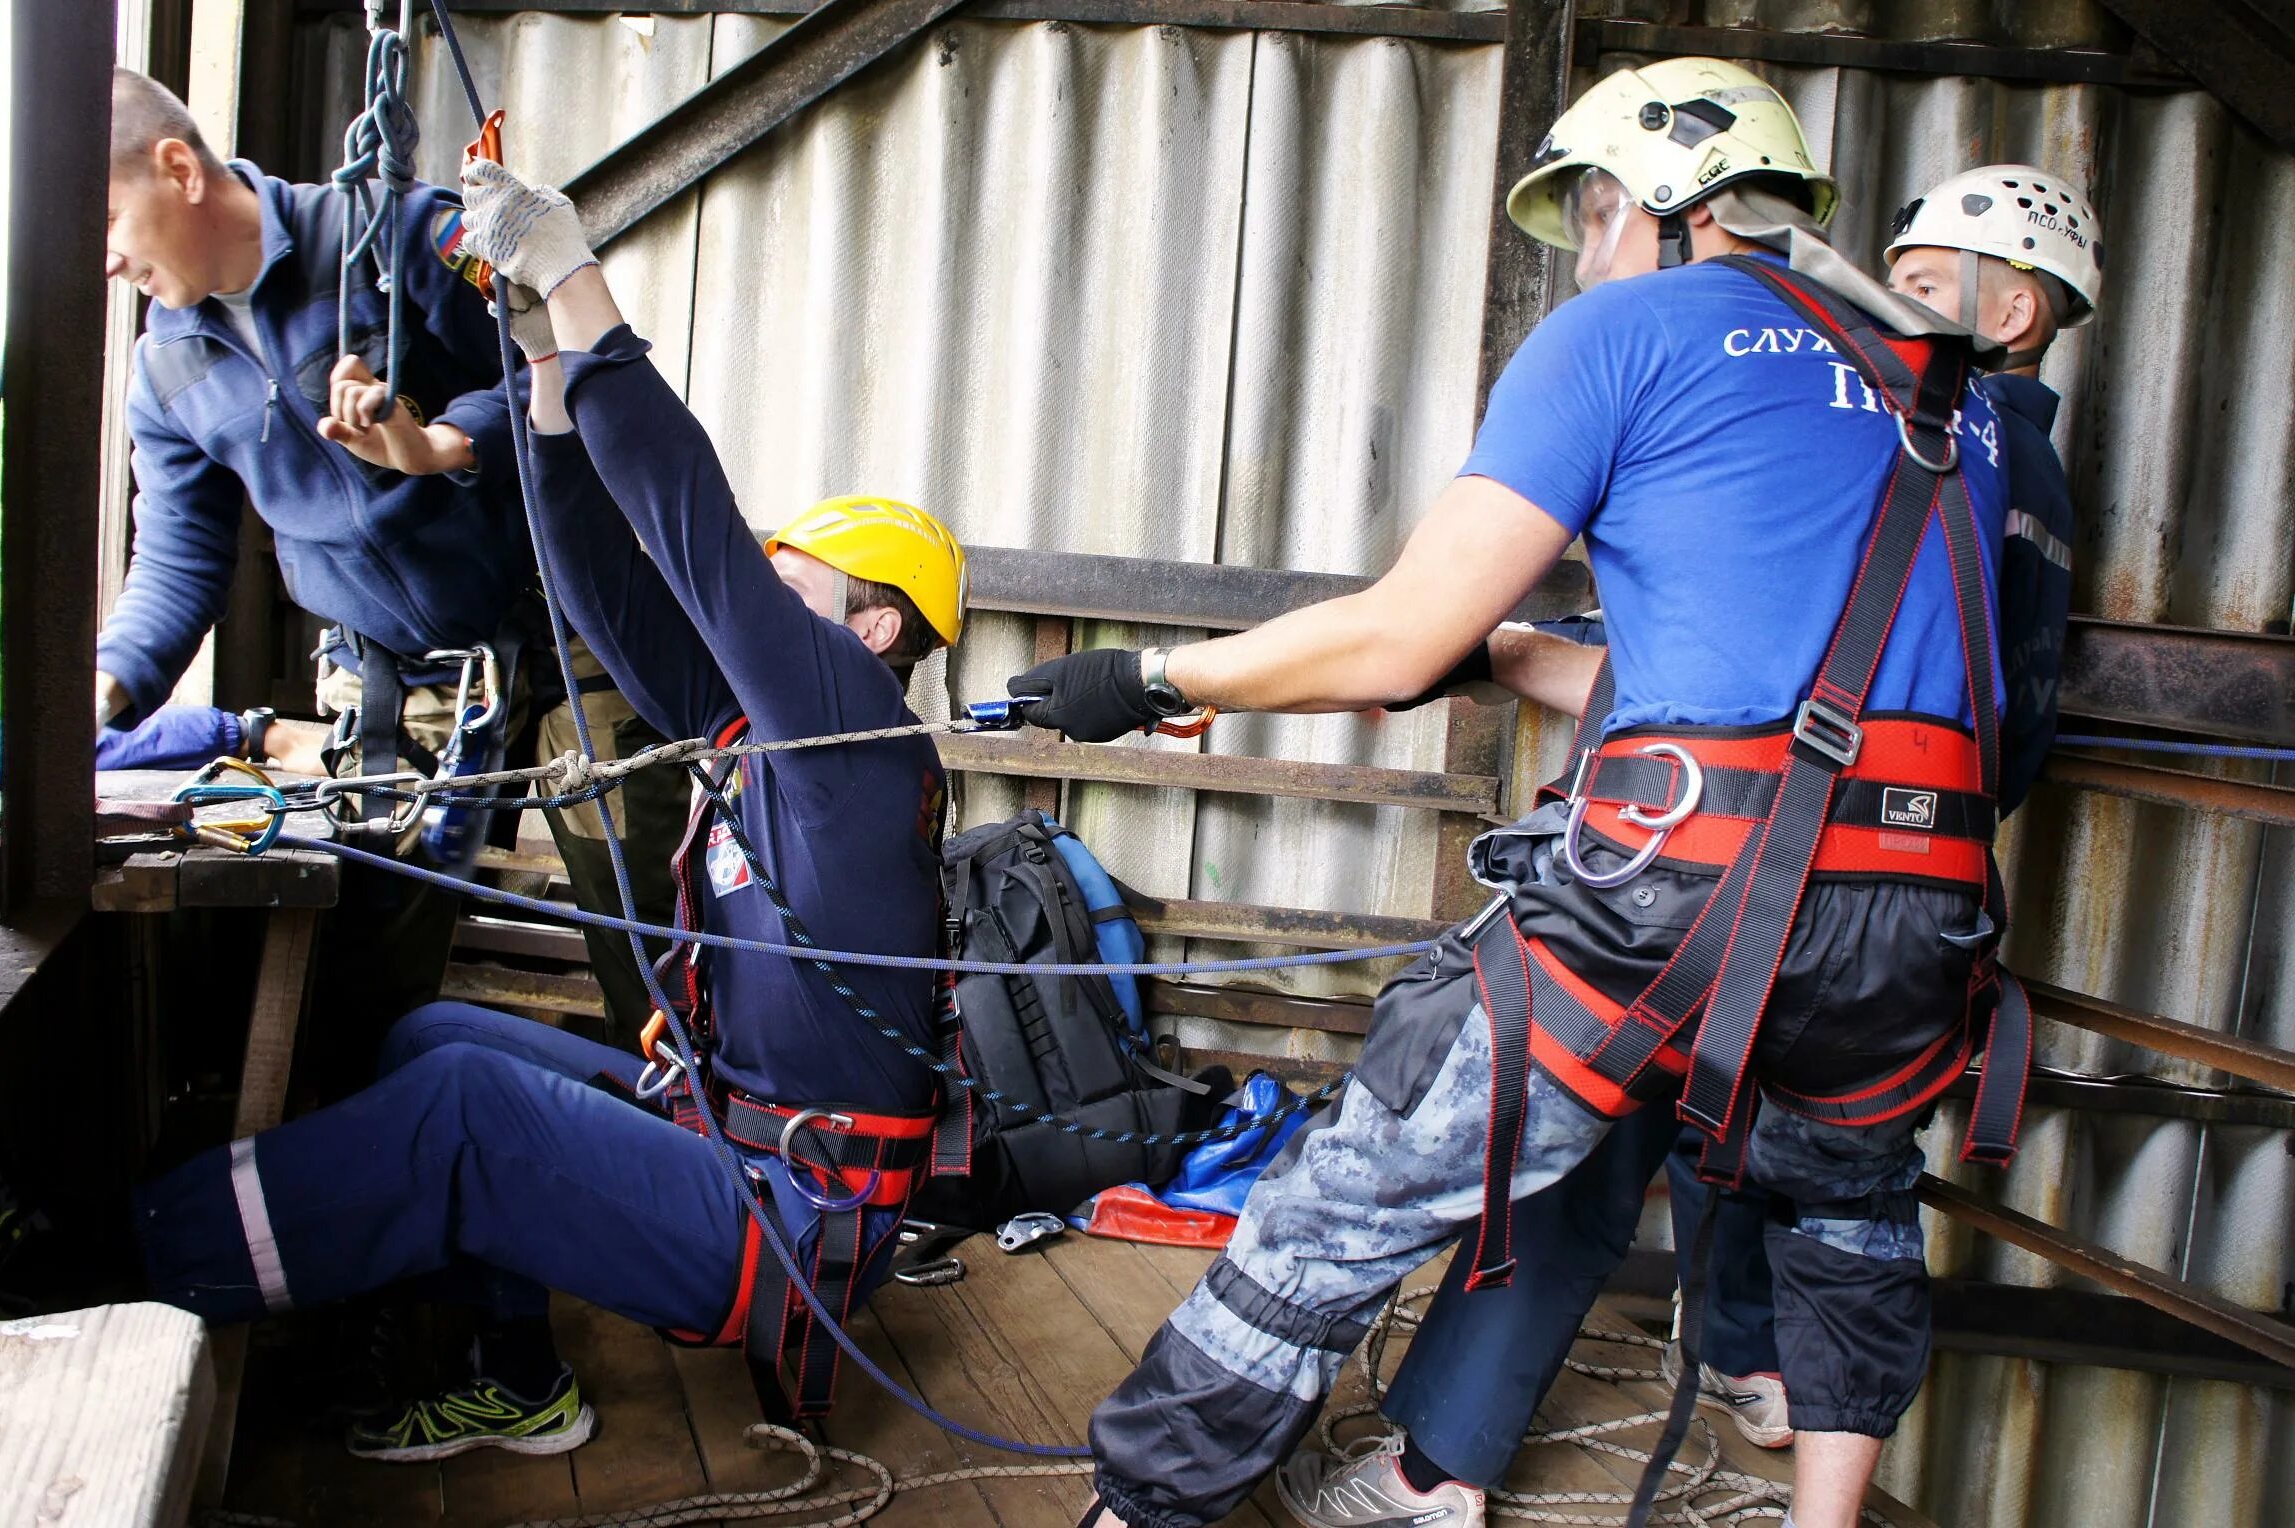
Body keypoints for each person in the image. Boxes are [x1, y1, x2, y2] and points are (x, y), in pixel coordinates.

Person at [1006, 58, 2028, 1528]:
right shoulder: (1959, 407)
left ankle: (1143, 1511)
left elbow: (1395, 636)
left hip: (1680, 895)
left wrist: (1155, 678)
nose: (1590, 249)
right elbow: (1813, 681)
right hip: (1920, 919)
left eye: (1595, 215)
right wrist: (1513, 662)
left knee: (1347, 1202)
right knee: (1848, 1218)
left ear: (1654, 206)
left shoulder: (1625, 331)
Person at [1268, 161, 2104, 1524]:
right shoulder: (1956, 435)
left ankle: (1438, 1471)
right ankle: (1759, 1369)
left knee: (1579, 1153)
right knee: (1828, 1168)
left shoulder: (1963, 432)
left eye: (1935, 284)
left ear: (2013, 315)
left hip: (1728, 867)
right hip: (1886, 885)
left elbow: (1821, 689)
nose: (1900, 302)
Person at [132, 157, 968, 1461]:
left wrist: (577, 285)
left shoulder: (855, 730)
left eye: (787, 581)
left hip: (786, 1220)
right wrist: (534, 366)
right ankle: (510, 1377)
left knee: (467, 1115)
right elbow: (605, 595)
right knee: (436, 1039)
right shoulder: (771, 736)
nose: (750, 590)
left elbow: (683, 517)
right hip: (728, 1134)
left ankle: (124, 1268)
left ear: (870, 629)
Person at [96, 67, 681, 1056]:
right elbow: (181, 557)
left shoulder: (391, 235)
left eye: (104, 218)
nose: (103, 263)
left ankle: (709, 1173)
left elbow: (554, 369)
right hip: (404, 674)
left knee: (659, 946)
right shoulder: (166, 370)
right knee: (361, 977)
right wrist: (104, 693)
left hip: (573, 625)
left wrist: (440, 444)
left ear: (175, 167)